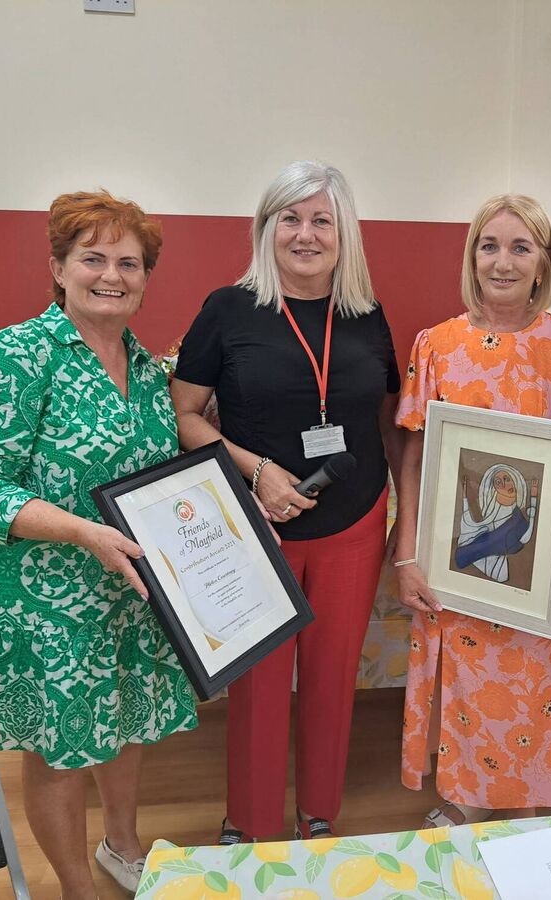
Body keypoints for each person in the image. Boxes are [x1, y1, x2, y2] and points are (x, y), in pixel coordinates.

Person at [0, 190, 197, 899]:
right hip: (40, 600)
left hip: (126, 591)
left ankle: (122, 845)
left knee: (125, 722)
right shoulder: (15, 357)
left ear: (145, 276)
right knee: (58, 749)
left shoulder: (151, 372)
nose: (111, 275)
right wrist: (81, 530)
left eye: (129, 262)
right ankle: (77, 887)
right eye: (93, 258)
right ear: (58, 267)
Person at [171, 160, 403, 843]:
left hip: (355, 521)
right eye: (290, 219)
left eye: (321, 220)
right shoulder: (228, 308)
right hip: (257, 527)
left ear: (344, 233)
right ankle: (248, 821)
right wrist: (258, 469)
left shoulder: (367, 314)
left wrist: (403, 516)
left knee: (333, 682)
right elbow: (186, 416)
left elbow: (386, 421)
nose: (305, 234)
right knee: (260, 688)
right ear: (267, 228)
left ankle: (318, 816)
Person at [392, 194, 551, 826]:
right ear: (472, 257)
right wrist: (407, 554)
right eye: (490, 246)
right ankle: (462, 800)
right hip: (455, 553)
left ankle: (534, 803)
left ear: (543, 262)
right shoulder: (435, 345)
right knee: (464, 677)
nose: (503, 262)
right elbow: (411, 460)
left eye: (521, 247)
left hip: (539, 561)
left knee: (538, 677)